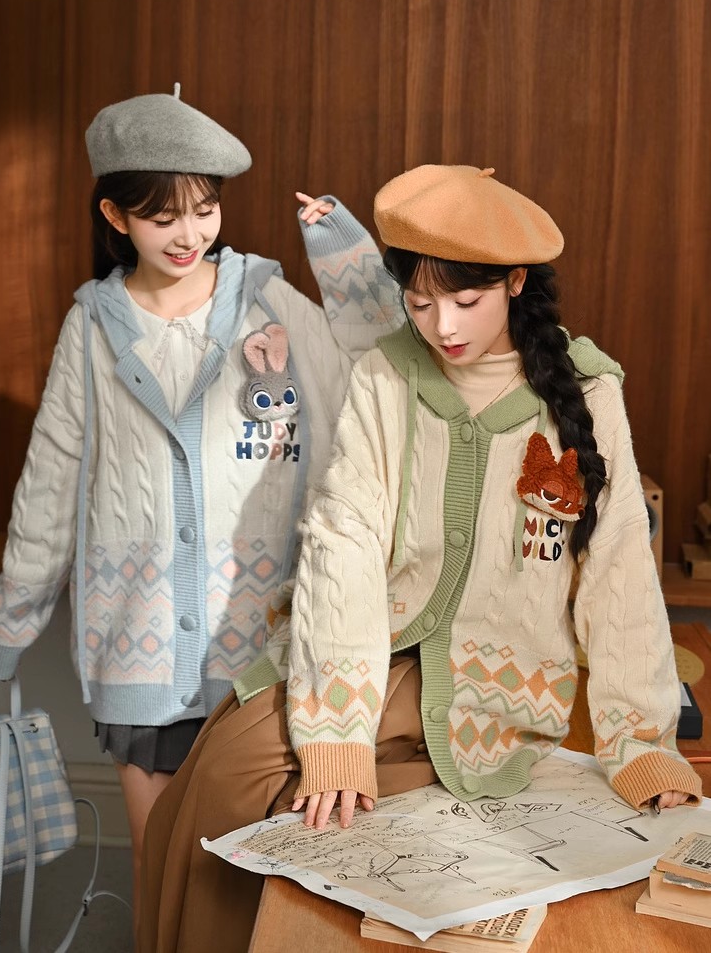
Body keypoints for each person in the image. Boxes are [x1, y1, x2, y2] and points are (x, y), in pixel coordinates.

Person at [139, 164, 702, 953]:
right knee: (226, 768)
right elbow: (343, 542)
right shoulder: (387, 375)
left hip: (498, 676)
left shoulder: (589, 395)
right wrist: (337, 731)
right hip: (375, 646)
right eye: (420, 301)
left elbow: (619, 575)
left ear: (514, 281)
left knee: (269, 788)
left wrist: (642, 745)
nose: (442, 326)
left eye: (465, 301)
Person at [0, 84, 402, 938]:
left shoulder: (269, 303)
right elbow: (51, 480)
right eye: (162, 216)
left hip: (261, 645)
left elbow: (384, 360)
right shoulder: (92, 329)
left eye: (205, 209)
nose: (189, 233)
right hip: (136, 647)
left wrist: (344, 254)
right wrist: (10, 621)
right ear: (116, 215)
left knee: (248, 884)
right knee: (158, 867)